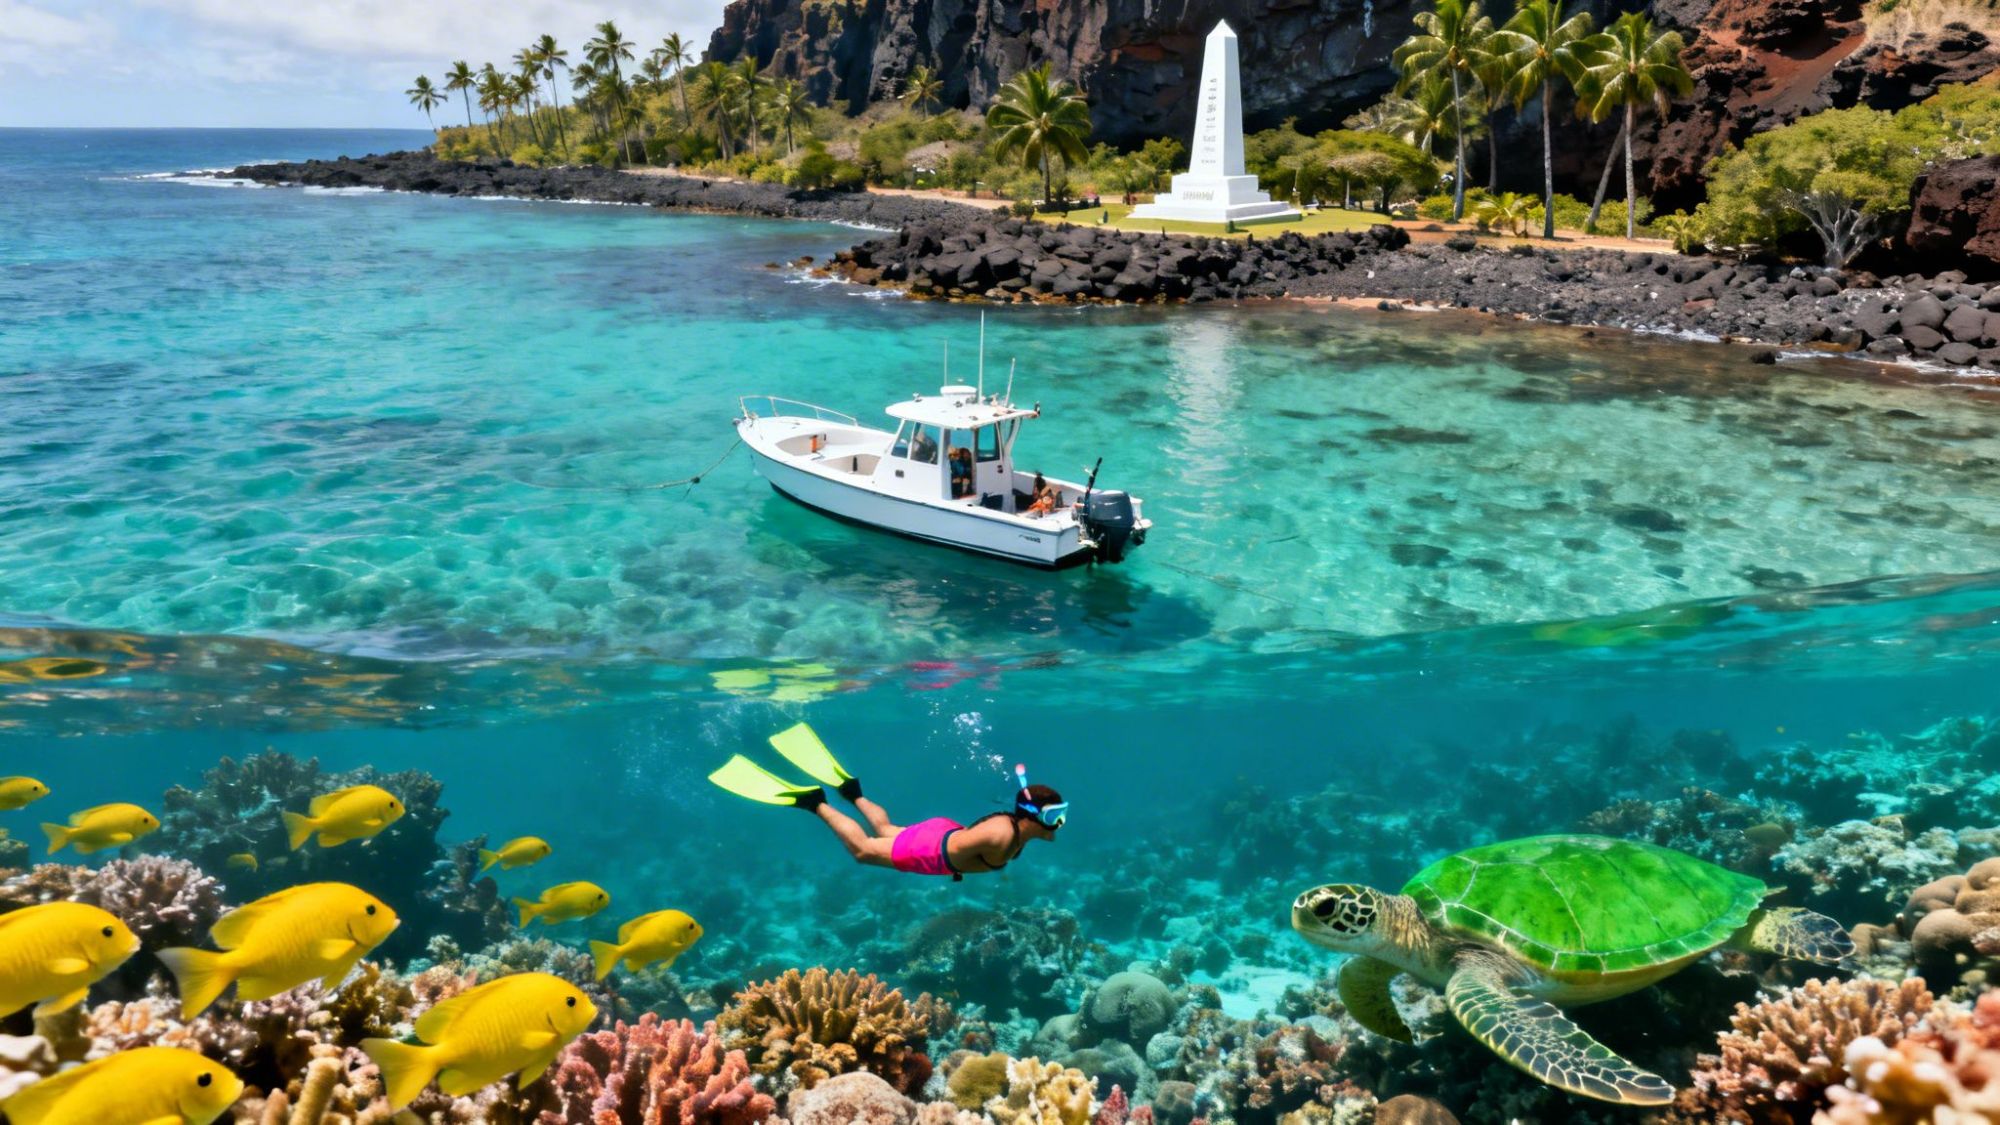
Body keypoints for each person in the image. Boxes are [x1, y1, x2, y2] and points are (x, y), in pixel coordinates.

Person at [709, 724, 1065, 880]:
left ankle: (851, 791)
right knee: (865, 849)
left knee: (885, 827)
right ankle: (814, 801)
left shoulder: (1012, 829)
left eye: (1061, 814)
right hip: (935, 851)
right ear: (1033, 815)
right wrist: (927, 853)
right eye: (1054, 815)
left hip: (942, 833)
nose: (1059, 822)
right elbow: (957, 848)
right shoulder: (1003, 836)